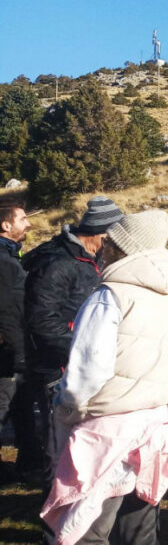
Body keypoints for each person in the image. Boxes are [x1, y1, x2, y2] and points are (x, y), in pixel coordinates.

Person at [42, 210, 168, 545]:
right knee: (139, 523)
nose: (104, 246)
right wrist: (155, 388)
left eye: (112, 241)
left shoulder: (110, 295)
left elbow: (88, 367)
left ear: (123, 247)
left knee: (87, 526)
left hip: (110, 430)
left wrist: (68, 410)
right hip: (159, 423)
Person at [21, 196, 124, 484]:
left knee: (78, 438)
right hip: (57, 368)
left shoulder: (87, 259)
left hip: (75, 364)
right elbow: (42, 321)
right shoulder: (58, 264)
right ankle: (53, 512)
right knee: (58, 443)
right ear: (101, 235)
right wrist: (83, 353)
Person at [0, 202, 31, 482]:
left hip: (10, 348)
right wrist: (20, 352)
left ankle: (28, 461)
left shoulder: (11, 256)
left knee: (20, 404)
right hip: (7, 352)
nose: (28, 224)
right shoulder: (5, 263)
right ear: (5, 225)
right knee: (4, 404)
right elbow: (9, 312)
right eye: (22, 219)